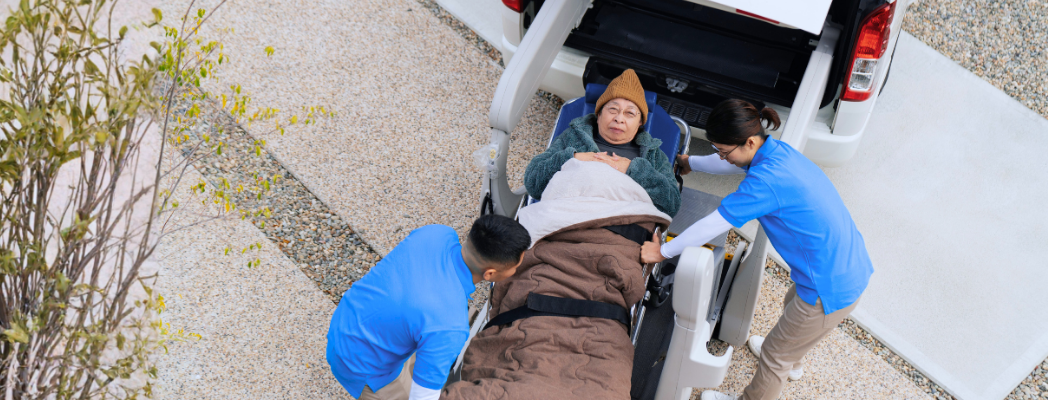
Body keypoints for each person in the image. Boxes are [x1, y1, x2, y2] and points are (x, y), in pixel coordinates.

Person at [639, 99, 874, 400]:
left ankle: (780, 366)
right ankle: (794, 358)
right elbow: (727, 161)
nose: (723, 157)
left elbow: (714, 223)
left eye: (724, 151)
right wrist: (691, 163)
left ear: (749, 141)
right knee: (793, 306)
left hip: (827, 286)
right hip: (844, 261)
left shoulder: (765, 182)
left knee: (775, 356)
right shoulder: (775, 153)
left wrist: (664, 252)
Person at [326, 215, 530, 400]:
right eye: (515, 267)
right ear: (490, 274)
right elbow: (422, 396)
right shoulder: (450, 325)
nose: (516, 270)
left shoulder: (436, 233)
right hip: (360, 366)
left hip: (345, 321)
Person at [523, 69, 681, 217]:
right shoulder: (573, 137)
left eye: (630, 113)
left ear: (640, 122)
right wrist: (574, 159)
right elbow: (534, 183)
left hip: (619, 229)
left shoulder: (653, 155)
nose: (619, 118)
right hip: (565, 220)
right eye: (613, 109)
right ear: (598, 114)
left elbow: (671, 205)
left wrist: (632, 169)